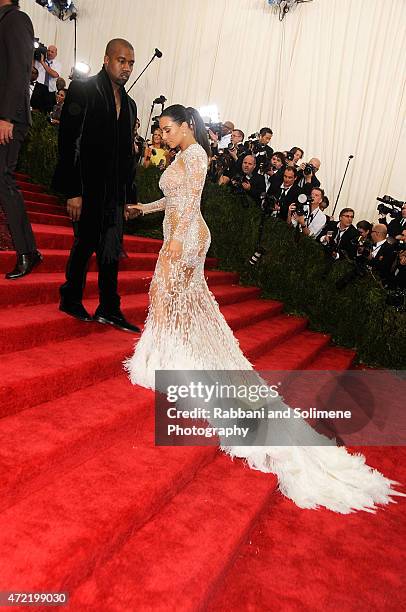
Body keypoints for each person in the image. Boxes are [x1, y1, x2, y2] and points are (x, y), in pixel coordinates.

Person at [124, 104, 401, 514]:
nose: (162, 135)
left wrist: (177, 244)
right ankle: (166, 358)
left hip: (188, 237)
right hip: (181, 234)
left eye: (168, 128)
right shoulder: (183, 156)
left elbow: (190, 204)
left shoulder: (197, 155)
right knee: (169, 300)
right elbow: (172, 200)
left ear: (187, 127)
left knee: (164, 296)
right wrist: (143, 209)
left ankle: (161, 360)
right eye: (160, 130)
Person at [53, 38, 140, 333]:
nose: (126, 67)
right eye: (121, 60)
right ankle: (70, 297)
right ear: (106, 59)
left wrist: (129, 197)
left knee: (111, 250)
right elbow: (68, 142)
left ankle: (109, 308)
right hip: (86, 185)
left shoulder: (130, 104)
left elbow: (127, 155)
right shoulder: (83, 88)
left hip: (114, 191)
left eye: (130, 63)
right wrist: (73, 191)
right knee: (85, 243)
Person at [0, 0, 42, 279]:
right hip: (5, 116)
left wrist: (6, 117)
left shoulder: (16, 19)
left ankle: (28, 252)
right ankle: (30, 252)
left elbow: (19, 69)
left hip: (9, 119)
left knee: (3, 179)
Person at [33, 45, 61, 114]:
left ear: (56, 54)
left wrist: (43, 63)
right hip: (38, 88)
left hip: (50, 91)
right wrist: (33, 55)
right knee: (34, 110)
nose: (50, 53)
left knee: (47, 113)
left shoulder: (58, 64)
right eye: (48, 51)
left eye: (52, 52)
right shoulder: (38, 61)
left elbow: (54, 74)